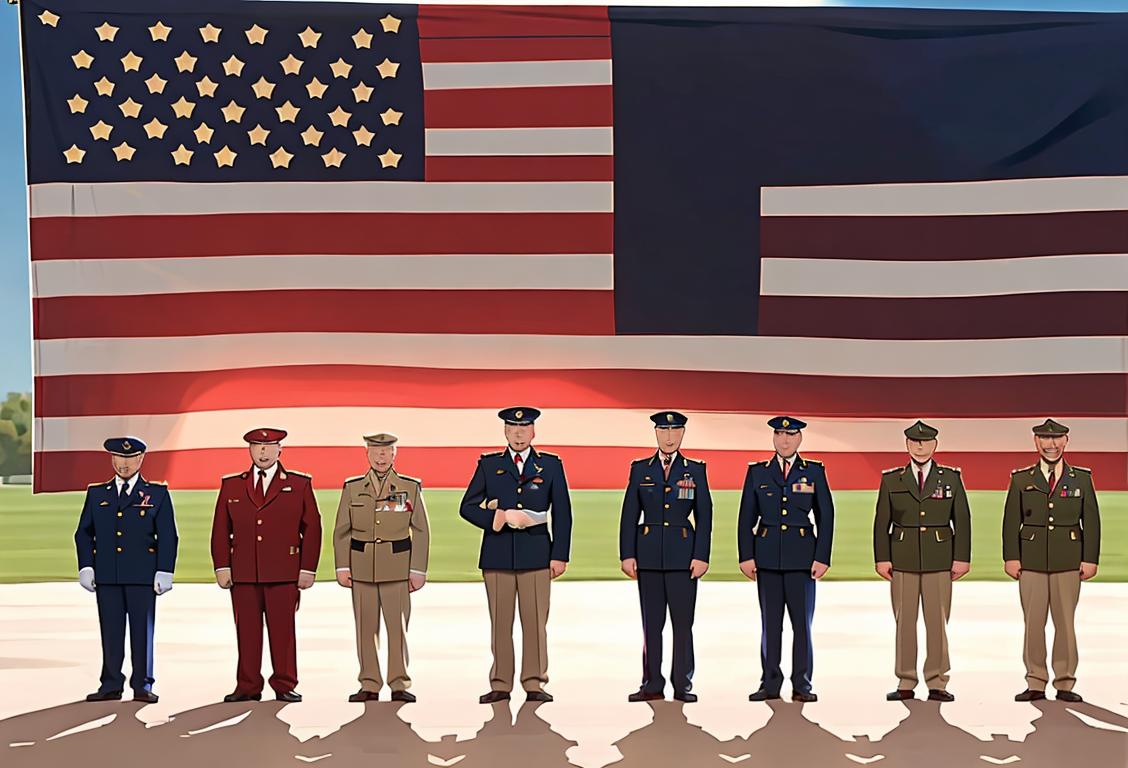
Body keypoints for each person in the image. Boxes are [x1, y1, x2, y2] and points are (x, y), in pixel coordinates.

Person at [459, 407, 572, 703]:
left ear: (534, 431)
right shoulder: (489, 465)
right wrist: (495, 517)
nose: (519, 433)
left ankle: (534, 682)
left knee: (535, 623)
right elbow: (467, 506)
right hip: (497, 556)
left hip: (537, 554)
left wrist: (559, 555)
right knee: (500, 622)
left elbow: (563, 512)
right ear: (505, 432)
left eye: (524, 428)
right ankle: (500, 683)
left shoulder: (550, 465)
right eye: (513, 428)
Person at [210, 427, 321, 703]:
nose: (263, 452)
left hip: (284, 572)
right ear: (249, 450)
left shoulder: (299, 484)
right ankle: (247, 685)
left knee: (283, 633)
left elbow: (313, 529)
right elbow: (220, 530)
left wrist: (307, 569)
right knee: (246, 632)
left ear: (280, 450)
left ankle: (284, 683)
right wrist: (222, 566)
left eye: (269, 446)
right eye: (257, 447)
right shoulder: (232, 485)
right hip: (244, 573)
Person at [873, 420, 971, 702]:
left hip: (940, 558)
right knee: (904, 622)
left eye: (925, 442)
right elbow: (882, 522)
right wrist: (882, 558)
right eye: (914, 442)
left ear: (934, 445)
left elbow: (962, 520)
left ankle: (937, 681)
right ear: (907, 445)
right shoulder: (892, 479)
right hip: (902, 559)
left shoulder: (950, 478)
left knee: (937, 623)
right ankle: (905, 680)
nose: (919, 446)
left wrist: (961, 558)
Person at [1003, 419, 1100, 703]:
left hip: (1069, 561)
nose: (1051, 444)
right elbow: (1012, 521)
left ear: (1066, 441)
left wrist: (1089, 559)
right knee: (1033, 624)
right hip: (1031, 562)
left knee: (1065, 624)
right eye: (1045, 439)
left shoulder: (1081, 478)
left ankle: (1065, 682)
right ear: (1036, 442)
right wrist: (1011, 557)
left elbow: (1091, 521)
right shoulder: (1021, 478)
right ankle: (1035, 680)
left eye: (1056, 439)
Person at [738, 416, 834, 703]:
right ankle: (770, 683)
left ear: (799, 439)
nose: (785, 440)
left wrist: (822, 556)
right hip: (767, 557)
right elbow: (746, 518)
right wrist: (747, 556)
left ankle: (802, 684)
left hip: (802, 558)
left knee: (802, 625)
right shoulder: (757, 473)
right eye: (779, 434)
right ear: (773, 438)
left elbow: (825, 516)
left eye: (790, 435)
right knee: (770, 624)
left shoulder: (814, 472)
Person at [75, 436, 178, 703]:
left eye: (130, 458)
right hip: (107, 575)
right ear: (112, 459)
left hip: (143, 576)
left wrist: (164, 570)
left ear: (141, 459)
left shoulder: (157, 494)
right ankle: (110, 684)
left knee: (142, 633)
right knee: (110, 631)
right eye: (119, 458)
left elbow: (168, 536)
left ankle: (143, 684)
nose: (124, 464)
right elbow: (84, 533)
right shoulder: (97, 494)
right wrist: (86, 565)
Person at [619, 411, 712, 703]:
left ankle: (682, 683)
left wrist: (701, 555)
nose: (669, 437)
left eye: (675, 431)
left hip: (684, 558)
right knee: (652, 624)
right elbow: (629, 514)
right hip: (648, 557)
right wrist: (627, 553)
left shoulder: (695, 470)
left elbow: (705, 516)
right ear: (656, 434)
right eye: (663, 431)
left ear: (682, 434)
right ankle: (652, 683)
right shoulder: (640, 469)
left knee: (683, 624)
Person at [334, 432, 430, 702]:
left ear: (394, 454)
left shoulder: (408, 487)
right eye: (375, 452)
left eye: (386, 452)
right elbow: (342, 530)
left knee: (397, 628)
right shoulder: (353, 488)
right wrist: (342, 565)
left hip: (397, 568)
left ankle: (399, 683)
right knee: (365, 628)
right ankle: (369, 683)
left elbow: (420, 530)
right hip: (362, 567)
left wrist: (418, 569)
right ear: (367, 454)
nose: (380, 457)